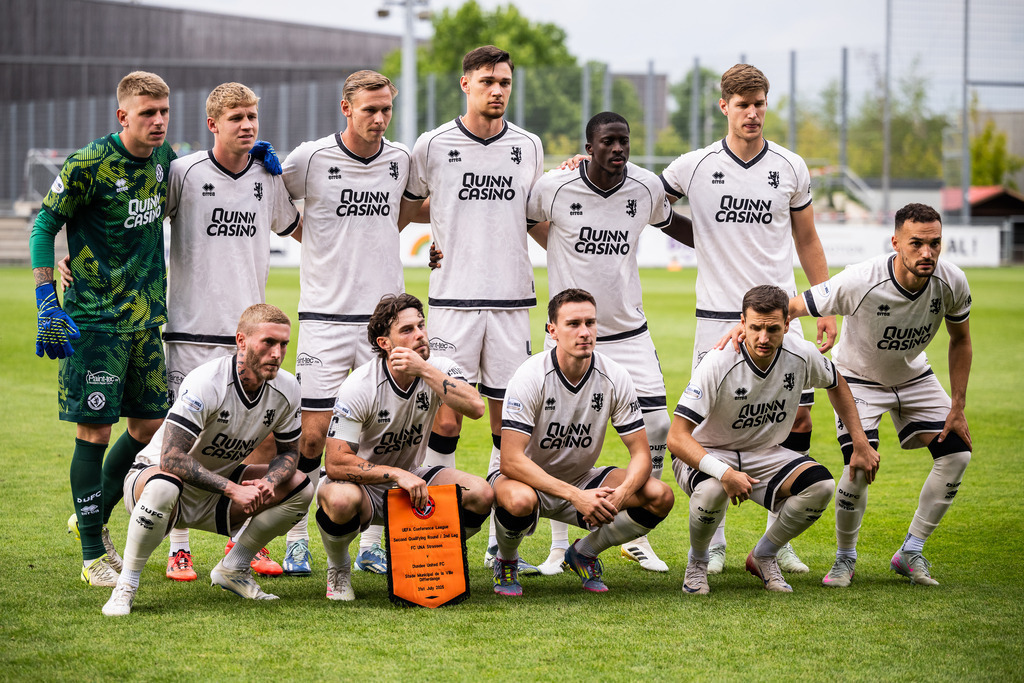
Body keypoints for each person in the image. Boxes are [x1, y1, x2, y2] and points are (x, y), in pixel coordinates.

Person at [659, 63, 838, 574]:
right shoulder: (693, 166)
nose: (753, 113)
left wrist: (822, 304)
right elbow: (648, 202)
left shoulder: (790, 166)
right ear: (724, 107)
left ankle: (775, 536)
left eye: (759, 103)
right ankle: (711, 538)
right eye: (743, 105)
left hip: (781, 317)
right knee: (712, 428)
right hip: (717, 316)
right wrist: (696, 235)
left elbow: (807, 238)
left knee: (798, 416)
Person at [523, 112, 694, 574]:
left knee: (657, 427)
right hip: (570, 330)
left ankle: (632, 533)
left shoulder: (645, 187)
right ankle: (559, 545)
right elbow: (520, 221)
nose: (618, 149)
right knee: (557, 435)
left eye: (624, 141)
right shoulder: (553, 187)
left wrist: (726, 241)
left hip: (629, 331)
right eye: (608, 142)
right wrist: (556, 243)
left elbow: (672, 224)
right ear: (589, 145)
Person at [400, 45, 545, 574]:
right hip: (453, 303)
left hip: (511, 302)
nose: (498, 89)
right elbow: (411, 204)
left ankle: (499, 546)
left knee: (511, 422)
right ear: (465, 85)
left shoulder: (528, 145)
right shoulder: (433, 144)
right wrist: (441, 236)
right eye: (487, 80)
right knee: (447, 411)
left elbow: (533, 215)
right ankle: (434, 533)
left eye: (505, 81)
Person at [30, 71, 175, 587]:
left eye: (163, 112)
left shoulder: (165, 160)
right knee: (94, 431)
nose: (158, 122)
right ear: (122, 116)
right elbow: (44, 225)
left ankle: (88, 520)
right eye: (146, 114)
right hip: (94, 324)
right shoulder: (88, 163)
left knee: (149, 429)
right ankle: (94, 553)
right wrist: (49, 300)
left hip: (145, 322)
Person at [790, 203, 972, 586]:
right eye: (917, 243)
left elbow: (961, 340)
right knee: (858, 466)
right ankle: (845, 559)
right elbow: (792, 307)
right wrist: (745, 328)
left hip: (913, 376)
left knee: (957, 453)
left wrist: (957, 406)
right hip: (857, 379)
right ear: (896, 243)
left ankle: (911, 551)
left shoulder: (952, 281)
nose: (927, 253)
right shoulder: (860, 279)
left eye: (935, 243)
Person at [282, 70, 413, 575]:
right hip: (324, 319)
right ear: (346, 107)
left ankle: (373, 541)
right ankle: (296, 535)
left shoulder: (400, 159)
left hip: (382, 321)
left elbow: (416, 204)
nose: (379, 120)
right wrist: (319, 242)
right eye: (369, 110)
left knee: (383, 436)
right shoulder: (309, 158)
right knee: (312, 438)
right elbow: (272, 199)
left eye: (385, 110)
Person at [101, 304, 311, 616]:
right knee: (165, 485)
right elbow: (171, 459)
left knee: (301, 487)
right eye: (268, 342)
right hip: (152, 479)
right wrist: (233, 489)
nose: (277, 353)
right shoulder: (207, 381)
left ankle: (233, 569)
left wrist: (269, 482)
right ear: (241, 341)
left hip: (215, 493)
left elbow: (290, 453)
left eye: (283, 344)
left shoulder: (288, 388)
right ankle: (127, 585)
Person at [667, 285, 879, 594]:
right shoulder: (717, 362)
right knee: (713, 490)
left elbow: (837, 382)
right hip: (708, 451)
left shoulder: (801, 353)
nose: (763, 338)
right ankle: (697, 562)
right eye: (755, 328)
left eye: (772, 329)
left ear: (787, 326)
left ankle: (764, 555)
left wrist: (860, 441)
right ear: (742, 323)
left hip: (764, 452)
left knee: (820, 487)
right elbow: (676, 437)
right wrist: (724, 473)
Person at [490, 288, 675, 597]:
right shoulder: (530, 376)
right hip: (524, 479)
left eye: (590, 323)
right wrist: (577, 496)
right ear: (552, 330)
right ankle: (506, 559)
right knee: (519, 501)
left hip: (581, 478)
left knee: (659, 495)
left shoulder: (615, 375)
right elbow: (510, 460)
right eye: (573, 324)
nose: (584, 332)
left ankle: (584, 552)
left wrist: (620, 495)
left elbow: (641, 454)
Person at [315, 294, 492, 601]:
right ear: (385, 343)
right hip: (363, 485)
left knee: (481, 494)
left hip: (412, 479)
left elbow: (476, 407)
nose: (420, 334)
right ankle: (339, 568)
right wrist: (396, 474)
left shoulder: (439, 368)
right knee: (339, 499)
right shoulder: (359, 386)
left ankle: (424, 552)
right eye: (408, 330)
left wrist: (425, 370)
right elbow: (335, 462)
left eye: (421, 326)